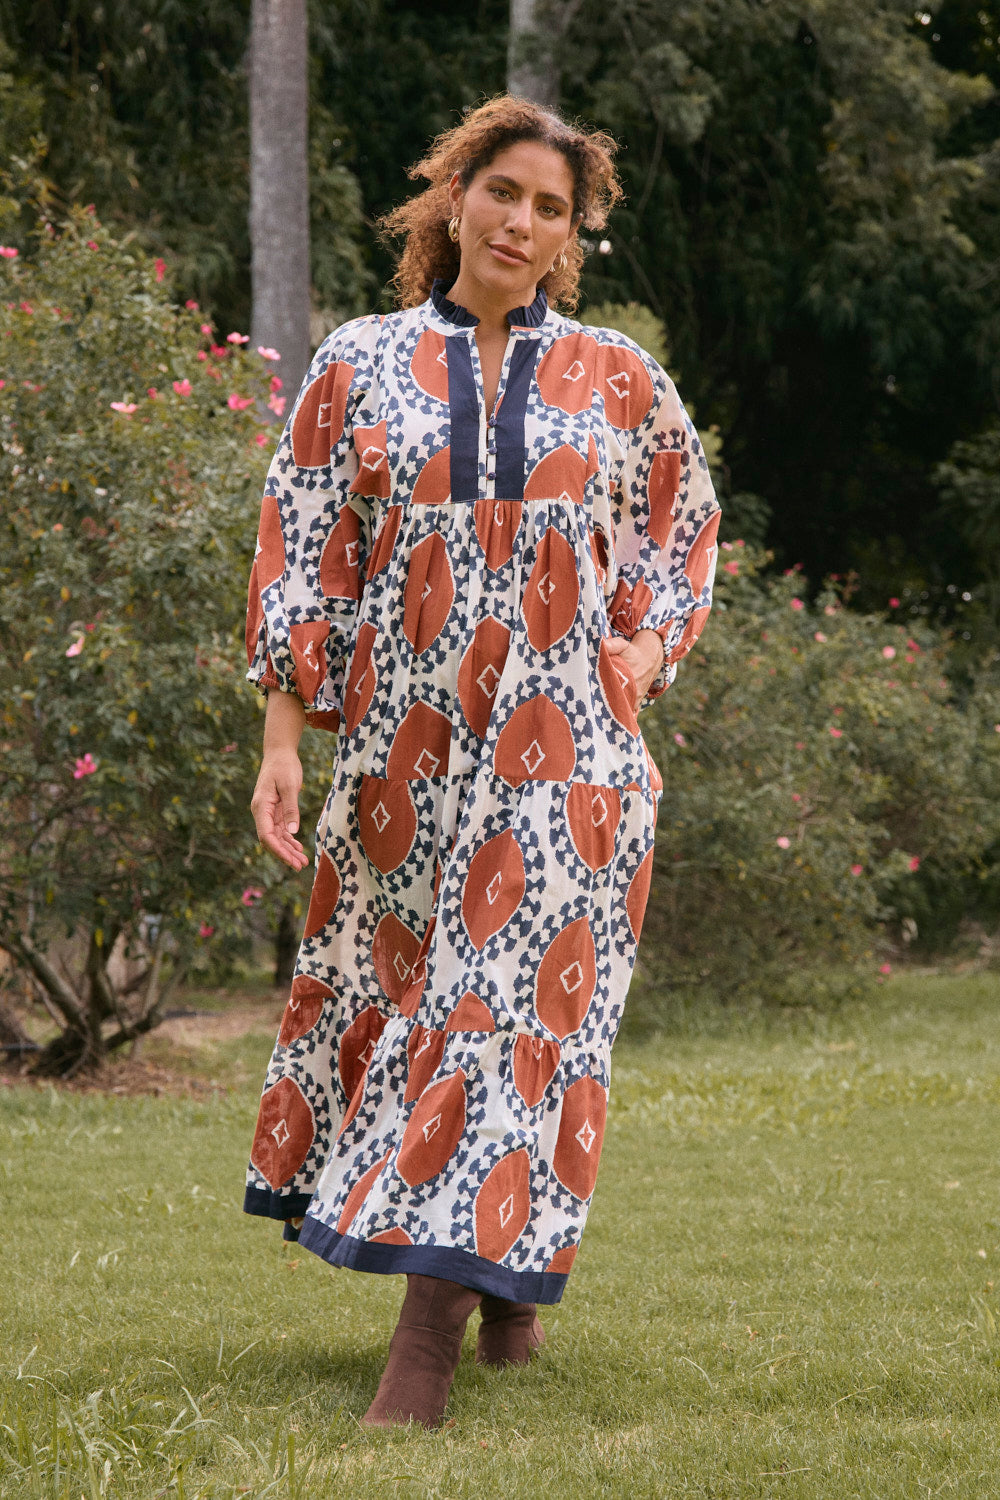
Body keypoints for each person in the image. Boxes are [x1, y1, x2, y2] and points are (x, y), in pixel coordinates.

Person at [244, 94, 720, 1429]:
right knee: (434, 1017)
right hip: (409, 769)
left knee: (507, 1013)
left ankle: (423, 1353)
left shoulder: (621, 380)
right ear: (455, 197)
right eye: (504, 191)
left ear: (574, 235)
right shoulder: (360, 363)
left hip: (572, 768)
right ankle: (505, 1288)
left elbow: (685, 535)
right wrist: (285, 744)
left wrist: (644, 657)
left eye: (553, 207)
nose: (523, 221)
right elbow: (306, 555)